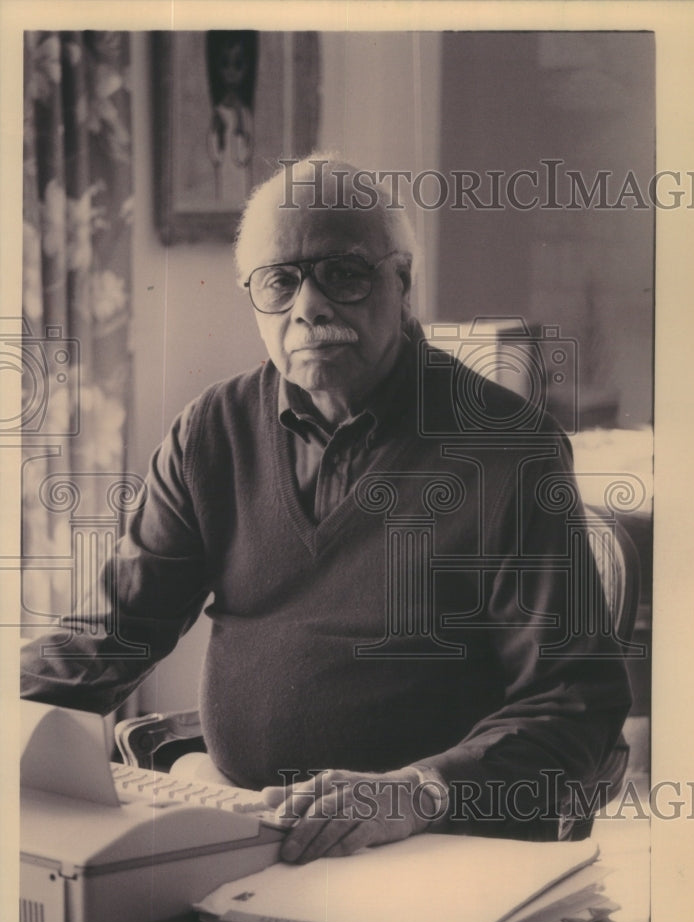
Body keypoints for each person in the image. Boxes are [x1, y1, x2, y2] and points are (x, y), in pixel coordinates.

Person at [21, 155, 632, 864]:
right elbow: (109, 635)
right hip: (247, 828)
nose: (308, 308)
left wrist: (415, 792)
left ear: (401, 283)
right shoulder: (212, 431)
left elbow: (574, 704)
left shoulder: (508, 451)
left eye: (342, 272)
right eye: (280, 281)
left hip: (432, 844)